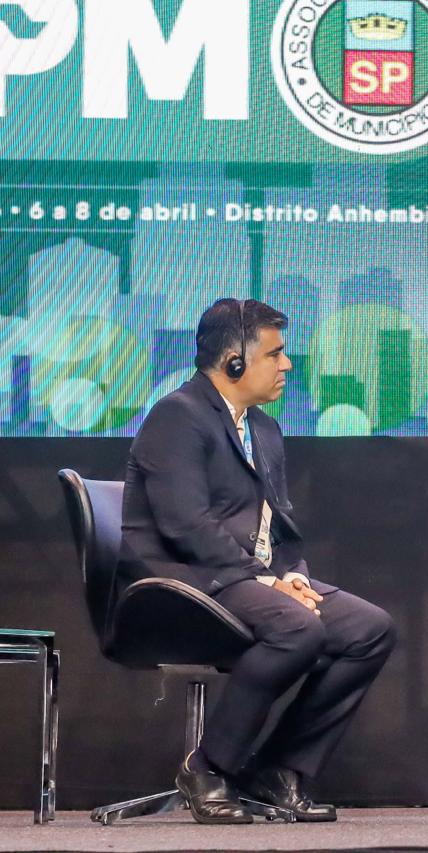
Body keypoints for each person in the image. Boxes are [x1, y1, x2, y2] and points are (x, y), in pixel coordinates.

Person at [119, 298, 396, 824]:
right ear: (235, 362)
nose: (287, 364)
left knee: (370, 629)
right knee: (297, 628)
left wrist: (292, 575)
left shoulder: (263, 430)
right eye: (276, 353)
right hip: (182, 583)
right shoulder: (177, 416)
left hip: (246, 579)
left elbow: (278, 524)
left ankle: (278, 771)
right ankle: (206, 766)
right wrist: (267, 582)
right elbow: (186, 527)